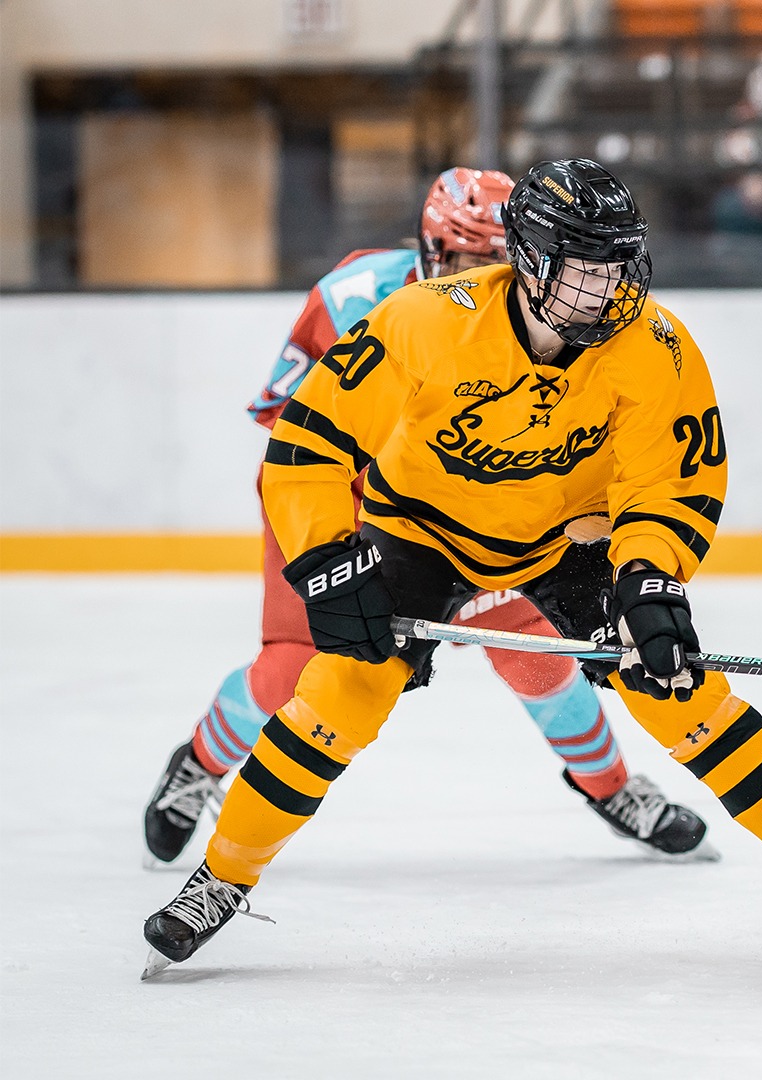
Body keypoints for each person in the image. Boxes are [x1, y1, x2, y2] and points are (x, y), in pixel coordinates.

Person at [141, 158, 762, 977]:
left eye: (621, 268)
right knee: (339, 691)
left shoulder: (656, 345)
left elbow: (670, 484)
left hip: (559, 542)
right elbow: (307, 444)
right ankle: (221, 878)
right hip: (418, 535)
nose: (610, 291)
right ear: (532, 263)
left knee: (681, 690)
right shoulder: (423, 320)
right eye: (586, 271)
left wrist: (649, 576)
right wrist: (329, 556)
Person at [141, 167, 712, 870]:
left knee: (534, 652)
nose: (480, 274)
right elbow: (290, 424)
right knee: (296, 667)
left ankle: (613, 787)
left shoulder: (537, 312)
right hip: (345, 500)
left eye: (496, 261)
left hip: (463, 502)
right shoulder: (358, 297)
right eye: (464, 260)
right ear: (430, 248)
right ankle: (198, 766)